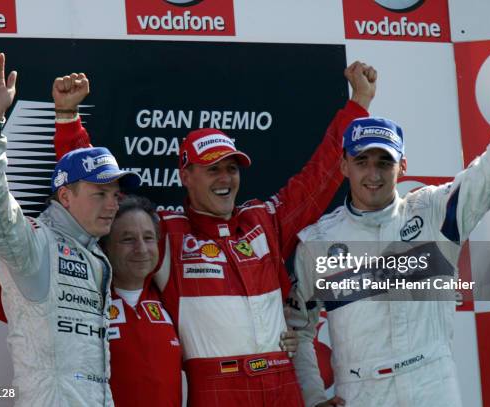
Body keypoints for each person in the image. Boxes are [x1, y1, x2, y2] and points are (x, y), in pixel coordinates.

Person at [52, 61, 377, 406]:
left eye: (231, 168)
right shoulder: (167, 232)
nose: (225, 178)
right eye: (212, 170)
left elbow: (318, 179)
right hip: (216, 387)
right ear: (186, 176)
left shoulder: (264, 220)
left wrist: (358, 104)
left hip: (281, 381)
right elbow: (93, 193)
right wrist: (69, 119)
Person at [289, 39, 490, 407]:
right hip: (360, 393)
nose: (373, 174)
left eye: (384, 163)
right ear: (344, 166)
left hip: (431, 384)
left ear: (403, 167)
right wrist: (314, 397)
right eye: (362, 162)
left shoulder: (434, 211)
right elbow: (297, 331)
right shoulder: (318, 240)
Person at [0, 51, 141, 406]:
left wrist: (69, 116)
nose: (113, 204)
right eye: (101, 194)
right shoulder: (36, 243)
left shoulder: (92, 253)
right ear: (65, 195)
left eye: (116, 194)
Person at [0, 192, 183, 407]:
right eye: (127, 239)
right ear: (104, 247)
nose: (141, 249)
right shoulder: (75, 299)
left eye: (149, 237)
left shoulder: (172, 298)